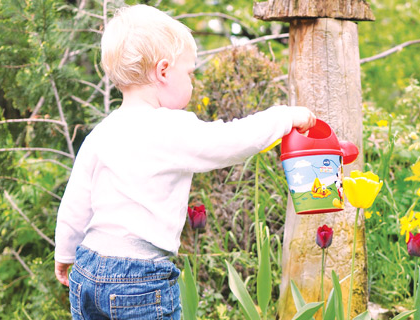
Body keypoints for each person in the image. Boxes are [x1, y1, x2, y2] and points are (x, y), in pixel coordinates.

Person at [53, 4, 315, 319]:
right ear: (163, 71)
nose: (192, 82)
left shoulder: (102, 132)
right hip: (139, 279)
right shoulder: (170, 127)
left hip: (88, 268)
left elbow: (75, 202)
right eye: (189, 73)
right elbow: (231, 141)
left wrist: (65, 253)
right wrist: (285, 116)